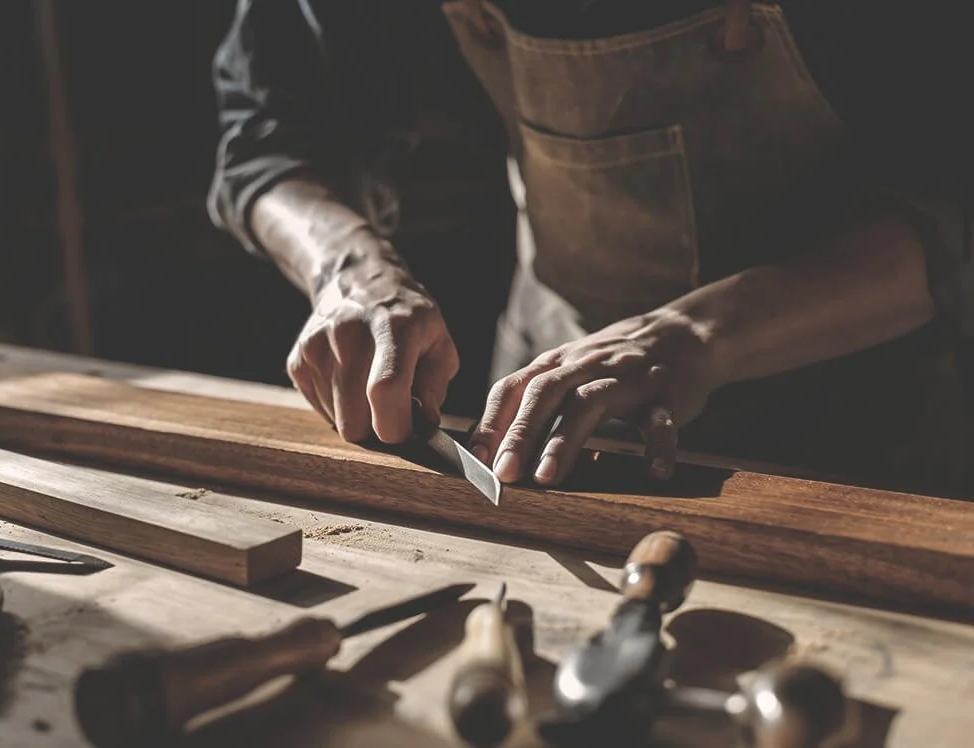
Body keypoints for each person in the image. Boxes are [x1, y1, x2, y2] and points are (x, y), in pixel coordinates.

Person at [209, 0, 971, 498]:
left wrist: (699, 333)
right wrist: (350, 271)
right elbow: (268, 138)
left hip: (864, 426)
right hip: (551, 414)